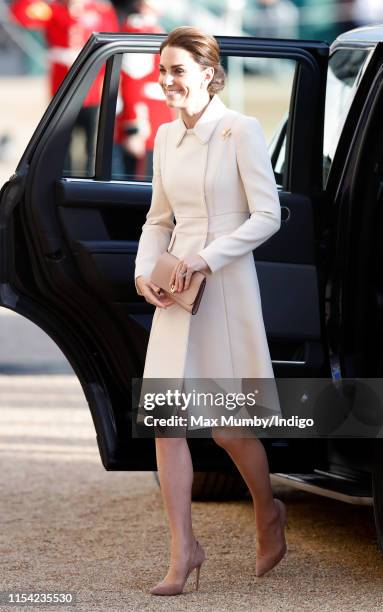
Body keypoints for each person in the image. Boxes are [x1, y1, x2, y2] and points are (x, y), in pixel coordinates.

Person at [134, 26, 287, 596]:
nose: (168, 80)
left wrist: (207, 257)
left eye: (178, 70)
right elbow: (156, 219)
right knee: (167, 425)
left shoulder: (240, 130)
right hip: (175, 290)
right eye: (162, 71)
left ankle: (268, 511)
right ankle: (183, 552)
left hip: (224, 286)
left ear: (207, 73)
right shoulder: (165, 137)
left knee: (228, 429)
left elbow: (266, 216)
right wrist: (144, 273)